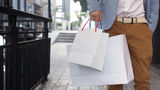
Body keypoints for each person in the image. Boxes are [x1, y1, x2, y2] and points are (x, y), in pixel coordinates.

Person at [86, 0, 159, 90]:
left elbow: (154, 2)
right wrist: (93, 7)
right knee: (113, 80)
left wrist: (150, 28)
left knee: (143, 80)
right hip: (112, 25)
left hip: (140, 26)